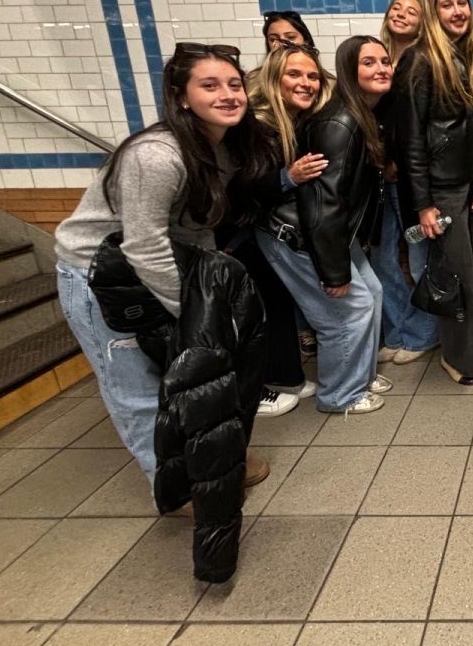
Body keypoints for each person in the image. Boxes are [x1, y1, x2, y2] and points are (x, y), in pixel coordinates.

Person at [55, 43, 270, 491]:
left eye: (234, 84)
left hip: (150, 267)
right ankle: (171, 489)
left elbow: (195, 225)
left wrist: (210, 280)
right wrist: (192, 312)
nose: (228, 95)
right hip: (99, 276)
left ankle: (212, 460)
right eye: (209, 86)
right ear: (181, 96)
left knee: (193, 376)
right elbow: (145, 244)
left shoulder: (221, 148)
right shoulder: (156, 156)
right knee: (136, 388)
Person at [255, 37, 392, 414]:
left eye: (385, 61)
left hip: (322, 230)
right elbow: (323, 204)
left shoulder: (357, 113)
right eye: (369, 62)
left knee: (373, 293)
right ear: (349, 70)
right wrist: (334, 273)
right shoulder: (341, 122)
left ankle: (359, 377)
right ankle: (340, 395)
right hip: (295, 234)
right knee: (345, 312)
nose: (381, 68)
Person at [394, 0, 473, 385]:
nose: (457, 11)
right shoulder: (419, 60)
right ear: (432, 12)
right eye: (446, 4)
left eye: (462, 3)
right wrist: (423, 204)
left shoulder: (471, 56)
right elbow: (411, 141)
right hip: (442, 189)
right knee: (456, 277)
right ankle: (457, 356)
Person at [233, 39, 333, 417]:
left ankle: (285, 376)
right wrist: (288, 178)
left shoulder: (293, 121)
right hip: (237, 235)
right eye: (295, 74)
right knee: (251, 313)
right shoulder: (255, 125)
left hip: (262, 232)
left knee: (277, 305)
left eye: (312, 76)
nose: (306, 82)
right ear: (274, 78)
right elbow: (240, 186)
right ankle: (256, 389)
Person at [373, 0, 439, 365]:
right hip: (378, 179)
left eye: (411, 10)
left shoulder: (424, 62)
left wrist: (400, 161)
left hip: (411, 178)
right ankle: (397, 330)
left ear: (422, 22)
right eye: (396, 8)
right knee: (383, 260)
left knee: (419, 260)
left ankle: (423, 334)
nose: (401, 13)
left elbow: (419, 126)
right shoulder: (377, 57)